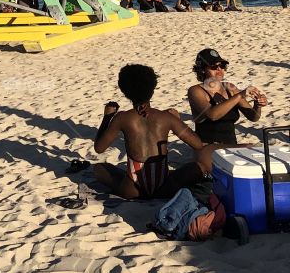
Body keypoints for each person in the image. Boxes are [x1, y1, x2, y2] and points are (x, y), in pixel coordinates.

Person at [93, 64, 214, 200]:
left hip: (132, 189)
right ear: (152, 90)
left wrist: (107, 116)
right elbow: (198, 144)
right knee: (199, 167)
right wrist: (178, 120)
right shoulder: (165, 117)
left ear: (125, 92)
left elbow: (99, 148)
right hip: (165, 188)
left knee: (99, 168)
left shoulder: (122, 117)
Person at [187, 48, 267, 147]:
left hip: (231, 146)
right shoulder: (196, 91)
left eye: (222, 65)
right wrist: (240, 95)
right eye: (213, 66)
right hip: (207, 148)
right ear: (202, 69)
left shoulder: (230, 88)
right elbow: (212, 115)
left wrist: (258, 105)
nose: (219, 69)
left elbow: (253, 117)